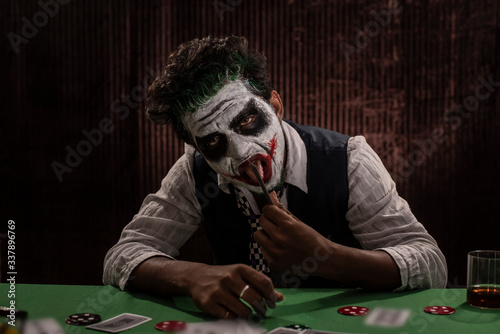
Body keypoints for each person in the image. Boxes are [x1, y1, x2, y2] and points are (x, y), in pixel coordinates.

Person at [103, 35, 447, 319]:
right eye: (213, 142)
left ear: (276, 106)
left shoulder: (348, 160)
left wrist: (326, 255)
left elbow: (431, 266)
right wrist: (191, 276)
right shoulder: (195, 169)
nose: (241, 153)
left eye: (247, 122)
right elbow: (123, 256)